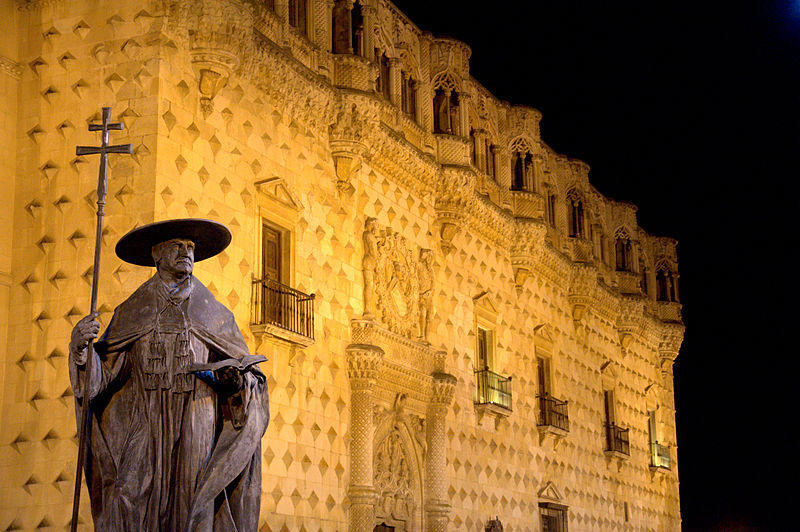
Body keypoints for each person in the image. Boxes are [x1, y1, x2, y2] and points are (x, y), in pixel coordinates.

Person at [69, 218, 269, 531]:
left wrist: (236, 380)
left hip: (197, 416)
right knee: (124, 493)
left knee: (194, 502)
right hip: (145, 417)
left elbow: (248, 376)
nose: (186, 252)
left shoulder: (214, 314)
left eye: (190, 247)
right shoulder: (131, 311)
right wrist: (81, 351)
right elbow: (101, 382)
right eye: (177, 246)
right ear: (157, 254)